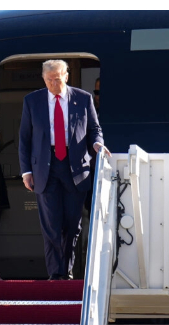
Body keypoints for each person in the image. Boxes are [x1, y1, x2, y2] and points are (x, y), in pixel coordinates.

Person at [19, 60, 110, 280]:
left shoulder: (83, 98)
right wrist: (26, 171)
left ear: (66, 77)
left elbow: (94, 129)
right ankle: (56, 274)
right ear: (43, 78)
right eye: (49, 80)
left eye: (57, 79)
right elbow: (25, 137)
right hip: (45, 167)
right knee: (51, 224)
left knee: (72, 224)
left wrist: (97, 144)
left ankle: (66, 270)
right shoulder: (32, 101)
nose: (53, 84)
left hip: (75, 166)